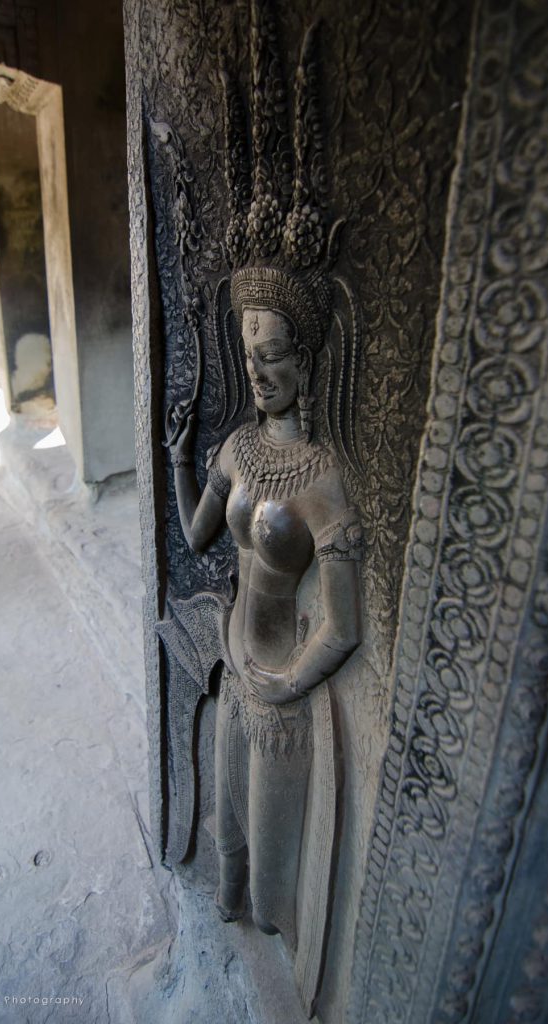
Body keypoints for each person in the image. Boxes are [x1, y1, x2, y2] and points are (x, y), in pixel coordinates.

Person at [165, 286, 362, 947]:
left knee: (272, 883)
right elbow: (197, 536)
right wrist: (178, 459)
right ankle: (226, 899)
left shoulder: (323, 479)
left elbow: (343, 625)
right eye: (250, 355)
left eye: (272, 354)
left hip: (280, 690)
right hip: (234, 665)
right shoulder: (238, 449)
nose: (257, 371)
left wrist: (291, 683)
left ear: (305, 363)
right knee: (228, 829)